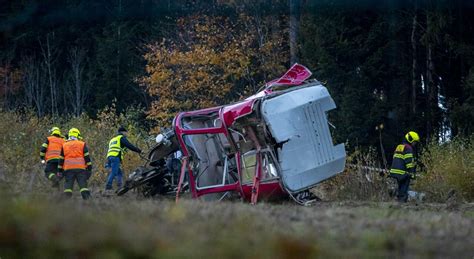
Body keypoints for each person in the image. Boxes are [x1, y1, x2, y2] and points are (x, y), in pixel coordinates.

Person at [58, 128, 92, 200]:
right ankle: (87, 200)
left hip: (68, 169)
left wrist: (59, 171)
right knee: (83, 185)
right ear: (77, 135)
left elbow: (61, 160)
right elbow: (87, 158)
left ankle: (66, 201)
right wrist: (89, 168)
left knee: (68, 186)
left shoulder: (64, 145)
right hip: (80, 169)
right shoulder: (82, 144)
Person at [105, 126, 142, 192]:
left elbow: (119, 149)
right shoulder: (121, 138)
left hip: (109, 157)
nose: (126, 134)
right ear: (123, 132)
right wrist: (139, 150)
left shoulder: (113, 139)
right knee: (114, 172)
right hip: (115, 157)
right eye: (126, 132)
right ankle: (108, 187)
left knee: (119, 173)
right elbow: (129, 145)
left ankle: (120, 186)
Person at [389, 131, 420, 202]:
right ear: (411, 140)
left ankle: (397, 201)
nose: (415, 144)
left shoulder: (399, 146)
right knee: (403, 190)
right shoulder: (408, 148)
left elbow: (395, 157)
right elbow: (409, 163)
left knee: (399, 188)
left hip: (394, 171)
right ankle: (402, 203)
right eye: (415, 142)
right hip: (403, 172)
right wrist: (412, 173)